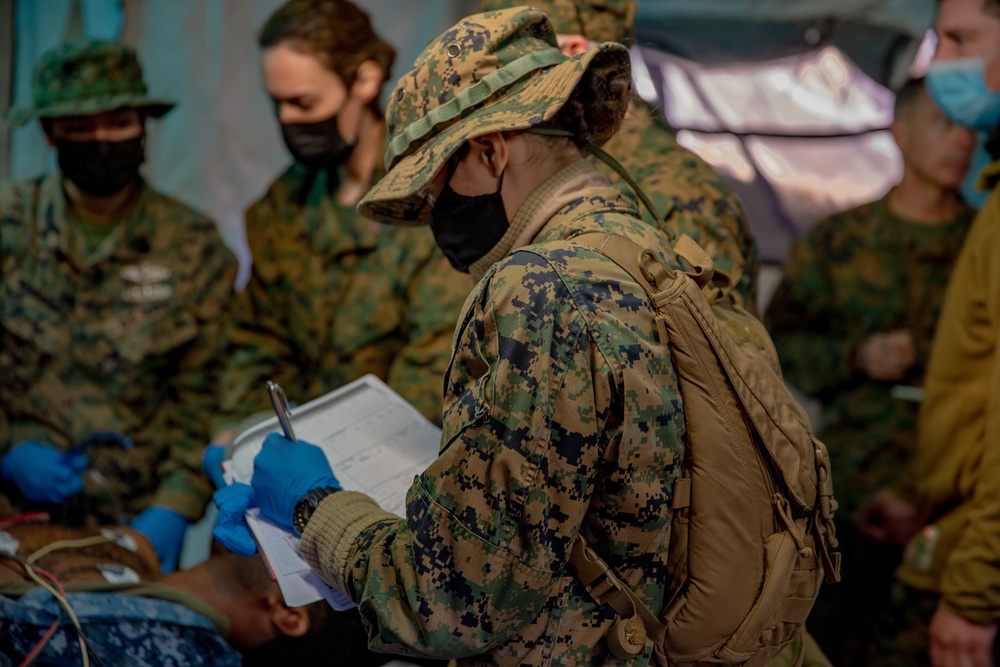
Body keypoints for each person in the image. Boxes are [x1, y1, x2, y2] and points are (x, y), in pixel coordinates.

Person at [214, 8, 829, 665]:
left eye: (436, 185)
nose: (437, 216)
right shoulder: (641, 240)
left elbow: (449, 601)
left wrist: (312, 505)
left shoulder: (541, 290)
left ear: (491, 148)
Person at [0, 40, 237, 574]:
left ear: (144, 126)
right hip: (12, 520)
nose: (102, 140)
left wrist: (174, 507)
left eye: (119, 122)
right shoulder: (9, 226)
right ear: (50, 133)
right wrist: (6, 451)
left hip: (133, 522)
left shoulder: (193, 246)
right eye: (80, 128)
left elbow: (206, 394)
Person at [764, 77, 976, 665]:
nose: (960, 141)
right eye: (943, 124)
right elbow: (775, 344)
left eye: (969, 128)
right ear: (899, 132)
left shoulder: (982, 246)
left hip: (955, 501)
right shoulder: (842, 241)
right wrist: (856, 356)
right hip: (851, 499)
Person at [218, 0, 472, 426]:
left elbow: (435, 368)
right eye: (276, 103)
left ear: (365, 80)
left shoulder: (430, 198)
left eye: (304, 103)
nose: (287, 120)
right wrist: (245, 431)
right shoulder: (283, 205)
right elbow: (257, 343)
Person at [861, 0, 1000, 665]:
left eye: (960, 39)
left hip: (971, 544)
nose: (941, 61)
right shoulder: (846, 238)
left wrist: (975, 591)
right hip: (913, 500)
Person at [479, 0, 761, 313]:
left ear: (573, 53)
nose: (497, 92)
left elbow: (709, 345)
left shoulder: (675, 192)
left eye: (512, 69)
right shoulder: (570, 168)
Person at [0, 516, 353, 666]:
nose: (296, 522)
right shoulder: (135, 549)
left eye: (318, 546)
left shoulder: (185, 653)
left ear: (288, 615)